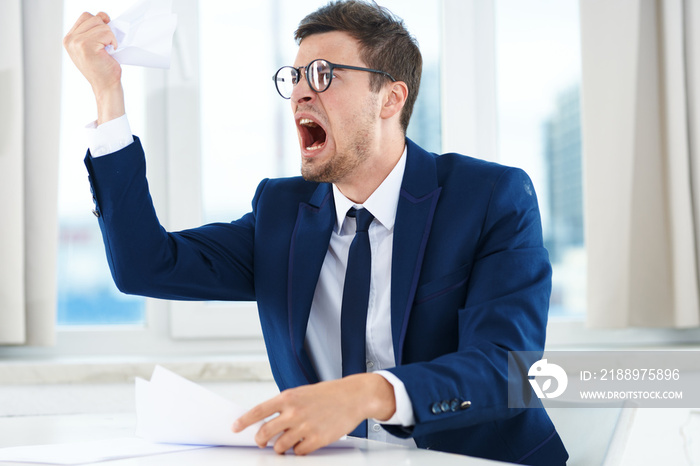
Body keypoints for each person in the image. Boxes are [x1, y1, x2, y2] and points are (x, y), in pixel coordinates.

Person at [63, 1, 568, 464]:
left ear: (390, 98)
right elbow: (145, 265)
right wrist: (109, 96)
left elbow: (508, 371)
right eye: (296, 75)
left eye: (325, 74)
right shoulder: (282, 211)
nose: (302, 90)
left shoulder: (488, 197)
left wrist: (369, 393)